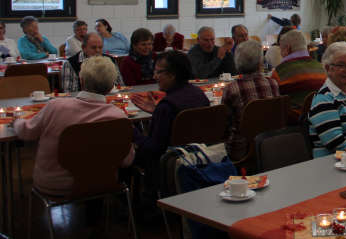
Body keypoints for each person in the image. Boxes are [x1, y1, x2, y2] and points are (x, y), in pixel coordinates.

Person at [14, 56, 134, 196]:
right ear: (111, 86)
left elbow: (26, 132)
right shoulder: (118, 117)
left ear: (81, 80)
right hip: (102, 182)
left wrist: (16, 122)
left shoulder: (56, 106)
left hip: (53, 183)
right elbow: (127, 160)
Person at [132, 51, 210, 168]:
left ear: (172, 75)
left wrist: (132, 132)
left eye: (159, 72)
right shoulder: (199, 95)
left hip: (172, 164)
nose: (154, 77)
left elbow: (152, 150)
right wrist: (157, 111)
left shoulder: (167, 107)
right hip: (201, 157)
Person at [222, 40, 280, 161]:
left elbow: (224, 124)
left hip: (240, 150)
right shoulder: (273, 83)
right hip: (270, 144)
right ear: (260, 61)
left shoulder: (231, 89)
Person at [272, 29, 326, 123]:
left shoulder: (279, 73)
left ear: (288, 49)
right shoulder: (322, 68)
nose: (280, 54)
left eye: (281, 50)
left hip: (295, 124)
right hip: (322, 119)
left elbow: (275, 106)